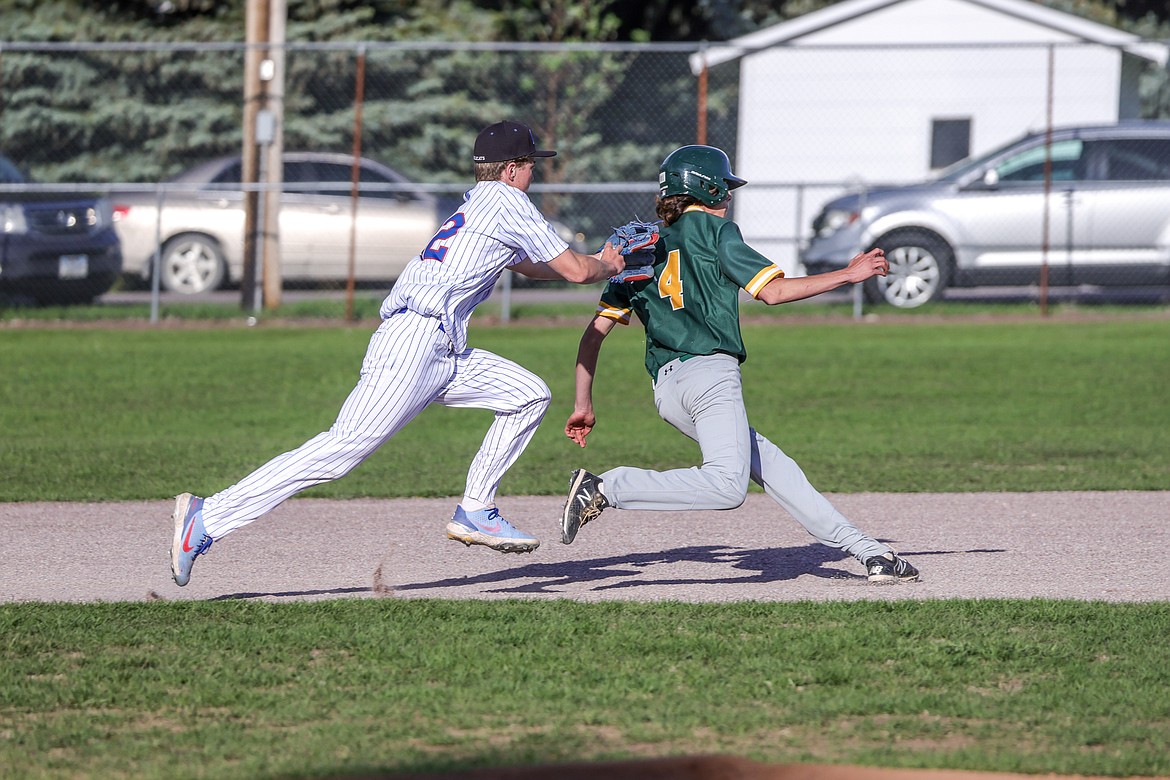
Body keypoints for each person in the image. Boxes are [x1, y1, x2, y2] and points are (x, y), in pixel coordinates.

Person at [171, 120, 625, 587]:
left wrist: (599, 263)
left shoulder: (479, 205)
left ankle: (475, 508)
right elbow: (573, 270)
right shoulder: (509, 201)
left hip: (440, 346)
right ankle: (209, 518)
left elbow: (533, 268)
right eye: (530, 165)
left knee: (527, 395)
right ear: (511, 170)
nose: (534, 174)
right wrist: (607, 264)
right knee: (339, 451)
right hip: (415, 344)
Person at [559, 144, 920, 584]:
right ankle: (605, 488)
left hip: (668, 391)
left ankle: (868, 552)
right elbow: (774, 292)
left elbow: (594, 332)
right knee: (726, 487)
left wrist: (583, 403)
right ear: (707, 190)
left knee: (773, 467)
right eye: (723, 189)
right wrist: (848, 274)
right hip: (709, 375)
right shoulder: (717, 233)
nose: (727, 198)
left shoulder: (638, 248)